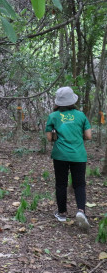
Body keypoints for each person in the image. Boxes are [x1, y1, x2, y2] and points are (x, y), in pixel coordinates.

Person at [45, 86, 92, 229]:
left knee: (61, 183)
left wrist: (55, 134)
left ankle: (62, 213)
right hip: (78, 154)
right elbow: (89, 136)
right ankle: (81, 211)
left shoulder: (53, 116)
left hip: (60, 155)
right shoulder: (81, 115)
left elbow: (49, 138)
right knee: (79, 184)